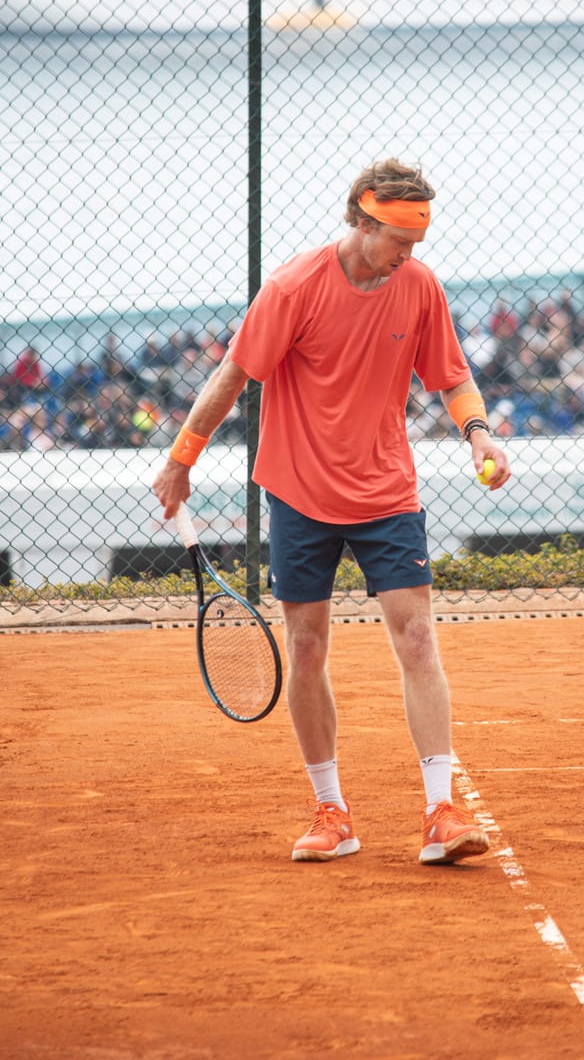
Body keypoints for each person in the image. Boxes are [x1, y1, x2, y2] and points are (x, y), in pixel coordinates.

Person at [152, 158, 511, 866]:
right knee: (308, 647)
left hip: (385, 493)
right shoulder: (294, 287)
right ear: (362, 219)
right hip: (298, 494)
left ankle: (441, 811)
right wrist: (180, 459)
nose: (410, 254)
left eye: (418, 241)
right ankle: (333, 813)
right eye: (399, 240)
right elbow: (232, 376)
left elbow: (453, 375)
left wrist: (479, 434)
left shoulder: (418, 286)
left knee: (416, 639)